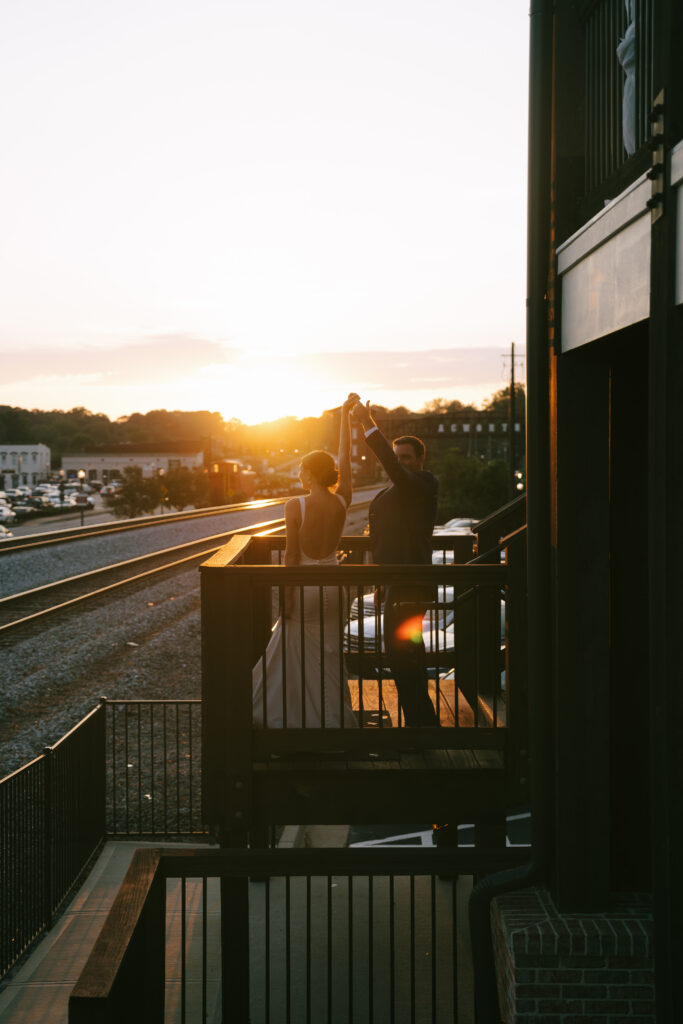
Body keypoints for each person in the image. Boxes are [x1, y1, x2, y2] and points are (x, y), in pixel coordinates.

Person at [252, 394, 360, 728]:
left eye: (301, 469)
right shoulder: (343, 501)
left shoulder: (294, 505)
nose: (299, 474)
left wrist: (285, 599)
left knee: (294, 657)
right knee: (329, 656)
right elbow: (346, 459)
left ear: (311, 474)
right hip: (336, 588)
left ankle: (300, 721)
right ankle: (333, 721)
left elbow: (292, 556)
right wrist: (346, 417)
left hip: (306, 589)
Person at [353, 401, 440, 726]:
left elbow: (390, 465)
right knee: (407, 657)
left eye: (407, 458)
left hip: (409, 584)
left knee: (403, 658)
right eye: (398, 457)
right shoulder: (397, 489)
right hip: (396, 583)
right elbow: (385, 539)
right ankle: (423, 725)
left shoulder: (421, 484)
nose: (401, 462)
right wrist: (380, 582)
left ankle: (422, 727)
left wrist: (367, 423)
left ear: (419, 461)